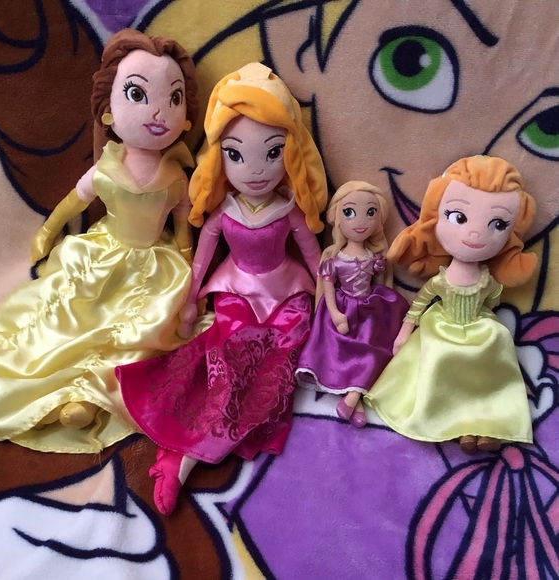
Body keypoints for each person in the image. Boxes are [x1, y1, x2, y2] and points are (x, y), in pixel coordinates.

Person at [116, 62, 327, 514]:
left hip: (287, 294)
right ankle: (184, 453)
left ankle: (183, 457)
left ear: (290, 154)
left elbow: (313, 256)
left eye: (272, 153)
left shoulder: (288, 209)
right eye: (236, 154)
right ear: (220, 158)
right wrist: (191, 301)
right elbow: (201, 259)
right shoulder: (223, 213)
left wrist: (327, 296)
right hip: (235, 289)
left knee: (279, 363)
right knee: (226, 358)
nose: (255, 170)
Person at [0, 29, 202, 453]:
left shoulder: (176, 177)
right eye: (137, 94)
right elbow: (73, 203)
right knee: (68, 314)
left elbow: (182, 225)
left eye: (174, 98)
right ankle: (46, 389)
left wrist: (189, 259)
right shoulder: (106, 170)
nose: (158, 111)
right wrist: (47, 232)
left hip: (157, 263)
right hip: (103, 252)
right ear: (108, 111)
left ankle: (87, 397)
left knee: (137, 329)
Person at [365, 156, 537, 454]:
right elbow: (418, 304)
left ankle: (488, 426)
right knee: (440, 359)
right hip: (443, 326)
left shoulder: (487, 280)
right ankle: (458, 426)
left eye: (498, 224)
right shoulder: (440, 281)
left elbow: (492, 301)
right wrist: (405, 332)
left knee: (493, 352)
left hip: (479, 327)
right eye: (459, 217)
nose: (475, 234)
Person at [295, 181, 409, 427]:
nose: (360, 221)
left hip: (369, 311)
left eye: (370, 212)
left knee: (373, 353)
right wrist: (335, 314)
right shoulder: (335, 259)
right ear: (337, 218)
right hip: (343, 309)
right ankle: (354, 402)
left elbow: (379, 278)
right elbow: (327, 288)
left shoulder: (373, 257)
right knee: (346, 356)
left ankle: (352, 398)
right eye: (349, 212)